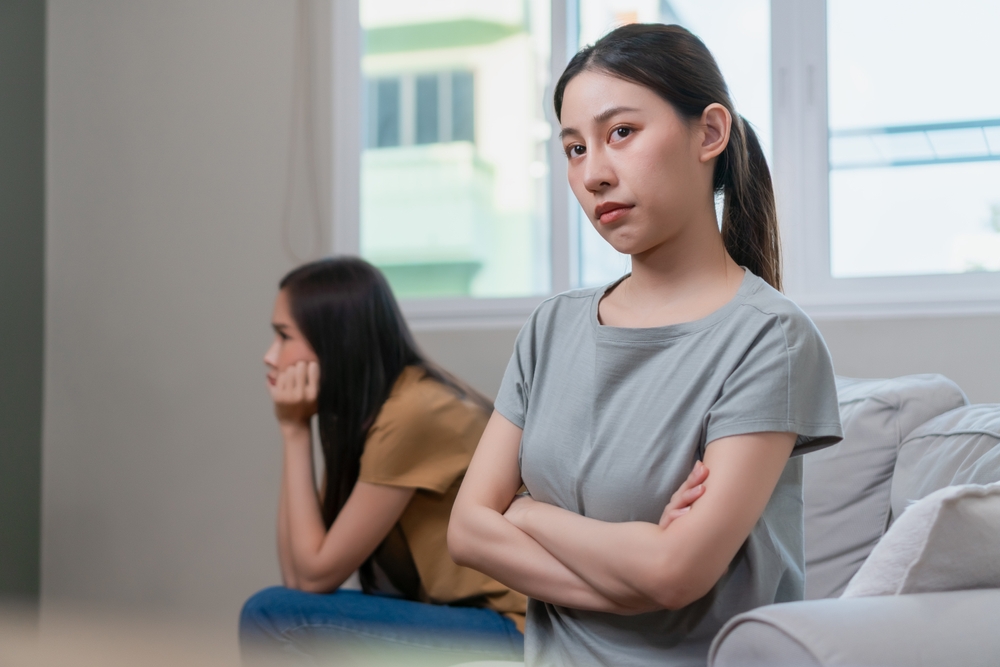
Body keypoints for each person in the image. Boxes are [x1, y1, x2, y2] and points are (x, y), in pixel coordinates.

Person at [448, 23, 844, 666]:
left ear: (709, 133)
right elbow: (466, 531)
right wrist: (632, 574)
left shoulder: (771, 338)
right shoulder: (552, 328)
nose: (594, 174)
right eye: (574, 149)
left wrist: (525, 516)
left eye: (621, 133)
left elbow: (675, 576)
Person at [239, 257, 526, 664]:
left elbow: (312, 575)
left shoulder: (413, 413)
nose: (271, 356)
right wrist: (296, 428)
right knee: (277, 609)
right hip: (472, 616)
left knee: (270, 615)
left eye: (284, 336)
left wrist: (294, 431)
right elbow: (298, 577)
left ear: (333, 340)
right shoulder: (378, 410)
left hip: (512, 626)